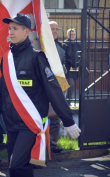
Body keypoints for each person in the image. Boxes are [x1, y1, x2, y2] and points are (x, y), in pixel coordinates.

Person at [0, 13, 81, 177]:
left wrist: (68, 120)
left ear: (26, 32)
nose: (11, 32)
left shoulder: (37, 57)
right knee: (20, 168)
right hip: (11, 123)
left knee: (16, 166)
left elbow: (54, 90)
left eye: (15, 28)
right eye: (9, 28)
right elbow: (1, 88)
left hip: (30, 123)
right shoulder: (7, 58)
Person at [49, 21, 71, 153]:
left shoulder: (63, 46)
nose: (55, 31)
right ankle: (39, 145)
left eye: (56, 29)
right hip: (42, 86)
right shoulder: (40, 45)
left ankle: (52, 145)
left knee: (56, 115)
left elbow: (68, 63)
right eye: (52, 29)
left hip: (58, 84)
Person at [65, 28, 80, 105]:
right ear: (68, 35)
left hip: (76, 69)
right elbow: (63, 56)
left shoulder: (78, 44)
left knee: (71, 86)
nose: (73, 36)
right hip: (67, 69)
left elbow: (81, 55)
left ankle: (68, 102)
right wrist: (68, 66)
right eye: (71, 34)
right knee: (70, 85)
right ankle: (67, 102)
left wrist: (79, 65)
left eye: (74, 34)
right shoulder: (65, 44)